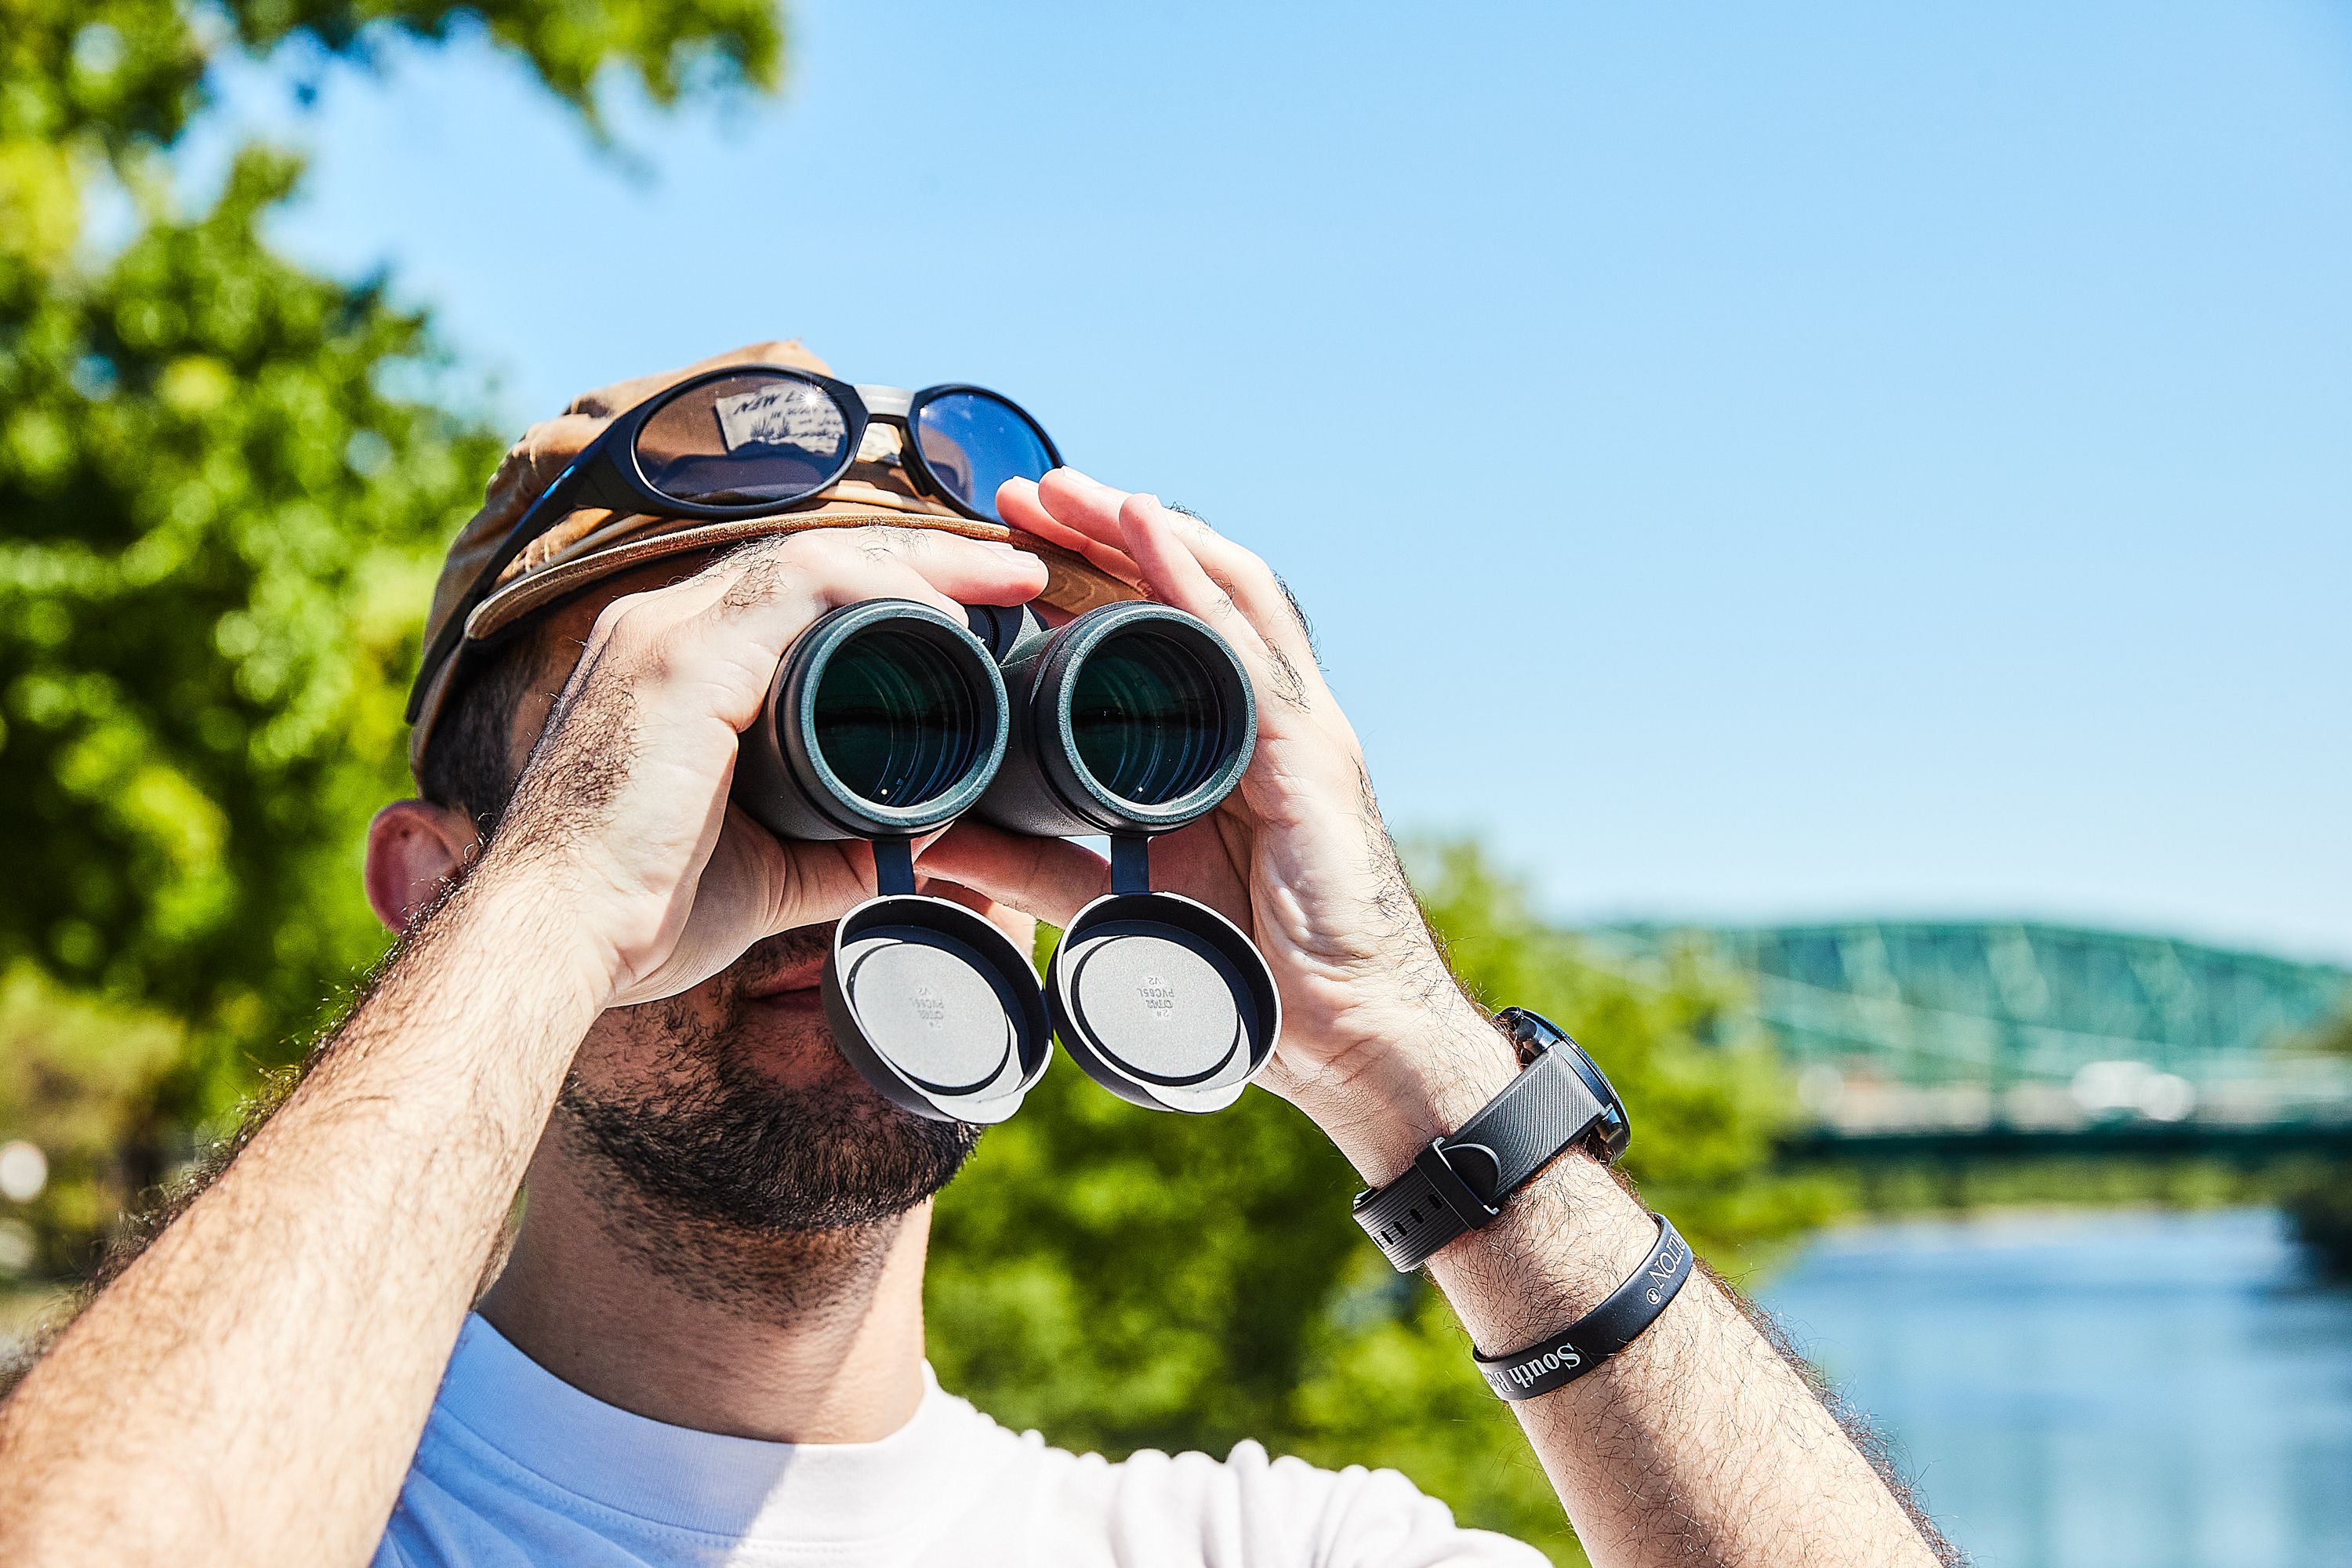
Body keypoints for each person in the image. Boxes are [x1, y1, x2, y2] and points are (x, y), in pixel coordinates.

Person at [0, 343, 1955, 1568]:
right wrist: (569, 900)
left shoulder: (1251, 1547)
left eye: (914, 724)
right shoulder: (232, 1479)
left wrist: (1409, 1055)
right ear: (436, 887)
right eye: (705, 735)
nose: (841, 860)